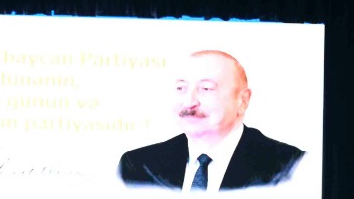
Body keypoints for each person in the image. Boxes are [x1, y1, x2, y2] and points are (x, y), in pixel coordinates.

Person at [118, 51, 303, 191]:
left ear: (243, 100)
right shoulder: (139, 165)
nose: (189, 102)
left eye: (206, 89)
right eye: (181, 88)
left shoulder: (290, 166)